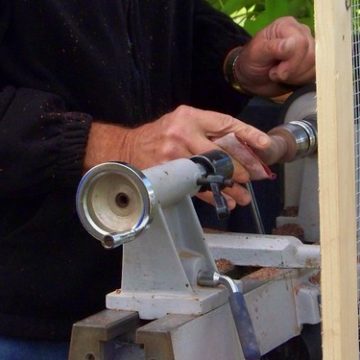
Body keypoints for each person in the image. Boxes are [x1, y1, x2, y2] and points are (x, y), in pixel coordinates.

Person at [0, 1, 315, 358]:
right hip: (27, 321)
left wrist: (236, 65)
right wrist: (117, 145)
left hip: (160, 298)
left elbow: (171, 29)